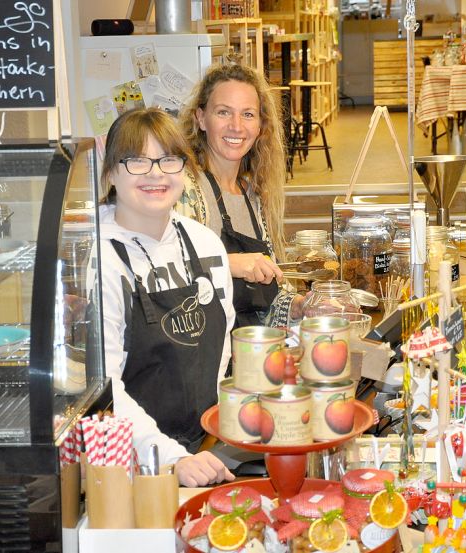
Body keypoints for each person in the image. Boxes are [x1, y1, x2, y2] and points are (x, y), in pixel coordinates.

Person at [98, 108, 235, 487]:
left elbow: (220, 350)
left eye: (168, 159)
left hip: (204, 450)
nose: (156, 173)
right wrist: (166, 455)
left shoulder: (205, 244)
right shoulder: (97, 257)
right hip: (129, 466)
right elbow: (103, 385)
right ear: (110, 172)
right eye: (137, 160)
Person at [178, 63, 299, 329]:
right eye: (223, 112)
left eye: (247, 114)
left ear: (260, 126)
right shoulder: (181, 188)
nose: (236, 126)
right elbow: (162, 274)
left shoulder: (253, 195)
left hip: (248, 352)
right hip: (202, 355)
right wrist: (228, 264)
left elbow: (266, 299)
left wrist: (300, 306)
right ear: (200, 118)